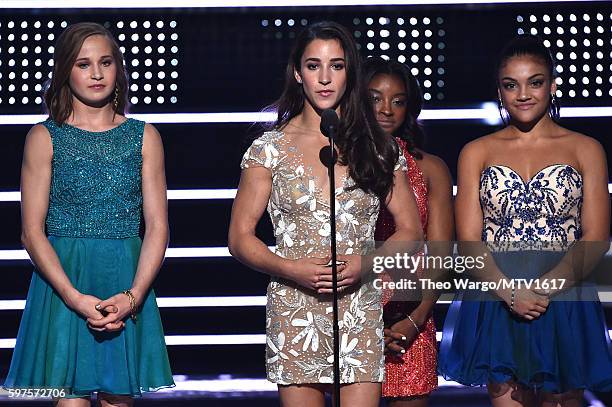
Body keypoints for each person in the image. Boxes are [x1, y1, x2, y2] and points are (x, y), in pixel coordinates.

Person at [228, 21, 423, 406]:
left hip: (358, 305)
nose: (325, 78)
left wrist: (365, 263)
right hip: (295, 305)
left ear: (350, 72)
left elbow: (410, 231)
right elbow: (239, 238)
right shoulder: (269, 149)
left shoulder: (378, 147)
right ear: (298, 73)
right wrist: (291, 268)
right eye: (314, 66)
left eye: (336, 65)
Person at [3, 22, 174, 405]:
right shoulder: (44, 137)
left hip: (126, 279)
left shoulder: (144, 136)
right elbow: (31, 232)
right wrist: (74, 297)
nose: (97, 73)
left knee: (119, 397)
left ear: (119, 69)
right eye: (83, 64)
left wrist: (134, 296)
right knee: (70, 398)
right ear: (66, 70)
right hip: (64, 284)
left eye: (105, 62)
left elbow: (158, 227)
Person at [438, 34, 612, 406]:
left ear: (552, 84)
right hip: (498, 298)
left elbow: (595, 235)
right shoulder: (476, 152)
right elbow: (469, 239)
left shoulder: (586, 148)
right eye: (510, 85)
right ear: (499, 91)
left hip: (566, 295)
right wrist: (510, 292)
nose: (523, 94)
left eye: (534, 82)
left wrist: (544, 289)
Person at [363, 57, 454, 406]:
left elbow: (443, 253)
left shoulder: (431, 168)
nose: (386, 109)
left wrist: (415, 321)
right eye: (375, 98)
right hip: (352, 316)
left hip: (412, 317)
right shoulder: (338, 162)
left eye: (398, 101)